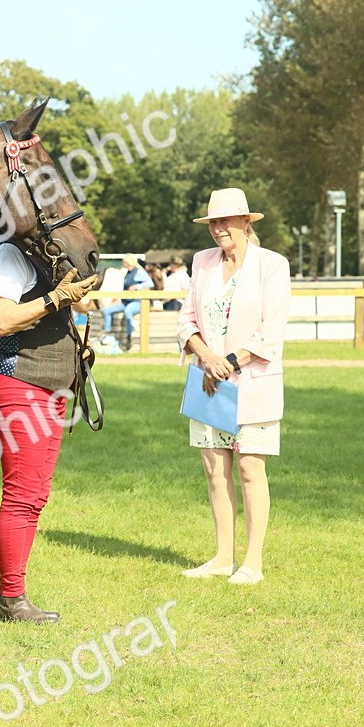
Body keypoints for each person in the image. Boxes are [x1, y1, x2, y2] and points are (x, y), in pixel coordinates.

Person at [176, 188, 290, 586]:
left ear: (246, 222)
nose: (218, 229)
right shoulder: (202, 263)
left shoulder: (271, 265)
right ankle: (223, 557)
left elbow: (270, 331)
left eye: (225, 221)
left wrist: (228, 362)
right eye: (213, 223)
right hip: (209, 382)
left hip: (252, 382)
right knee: (213, 468)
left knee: (248, 468)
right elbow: (186, 320)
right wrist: (206, 357)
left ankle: (252, 562)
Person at [0, 242, 98, 623]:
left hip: (47, 386)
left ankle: (13, 596)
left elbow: (80, 307)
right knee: (21, 495)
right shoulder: (6, 256)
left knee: (34, 495)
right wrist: (56, 297)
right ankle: (11, 600)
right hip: (20, 381)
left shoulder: (37, 258)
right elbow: (3, 319)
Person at [100, 254, 152, 348]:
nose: (123, 263)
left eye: (124, 261)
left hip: (136, 302)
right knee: (106, 311)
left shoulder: (139, 271)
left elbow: (149, 283)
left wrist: (137, 286)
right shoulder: (127, 272)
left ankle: (129, 337)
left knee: (128, 311)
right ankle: (107, 332)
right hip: (125, 301)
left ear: (128, 262)